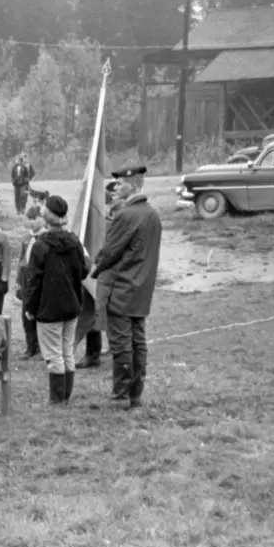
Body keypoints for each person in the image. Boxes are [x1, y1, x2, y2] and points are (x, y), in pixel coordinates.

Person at [90, 165, 162, 409]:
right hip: (142, 289)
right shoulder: (152, 214)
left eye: (120, 183)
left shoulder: (126, 214)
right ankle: (135, 395)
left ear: (132, 184)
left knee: (121, 344)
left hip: (121, 287)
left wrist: (94, 267)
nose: (116, 187)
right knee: (138, 342)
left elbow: (111, 251)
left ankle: (120, 396)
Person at [22, 196, 89, 404]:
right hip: (71, 305)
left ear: (47, 216)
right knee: (67, 351)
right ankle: (65, 397)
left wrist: (30, 307)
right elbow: (84, 270)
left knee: (53, 355)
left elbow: (34, 280)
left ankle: (57, 399)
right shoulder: (74, 241)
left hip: (49, 308)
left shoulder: (41, 245)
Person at [77, 180, 123, 369]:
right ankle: (93, 353)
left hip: (110, 275)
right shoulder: (90, 224)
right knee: (91, 312)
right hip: (93, 274)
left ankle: (117, 349)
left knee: (112, 313)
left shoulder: (112, 225)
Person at [15, 205, 46, 361]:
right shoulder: (26, 238)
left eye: (35, 218)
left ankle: (42, 348)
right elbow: (22, 260)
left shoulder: (46, 238)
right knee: (26, 313)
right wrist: (18, 282)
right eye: (30, 219)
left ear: (43, 218)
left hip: (40, 279)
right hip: (26, 278)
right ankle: (30, 346)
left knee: (39, 312)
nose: (32, 222)